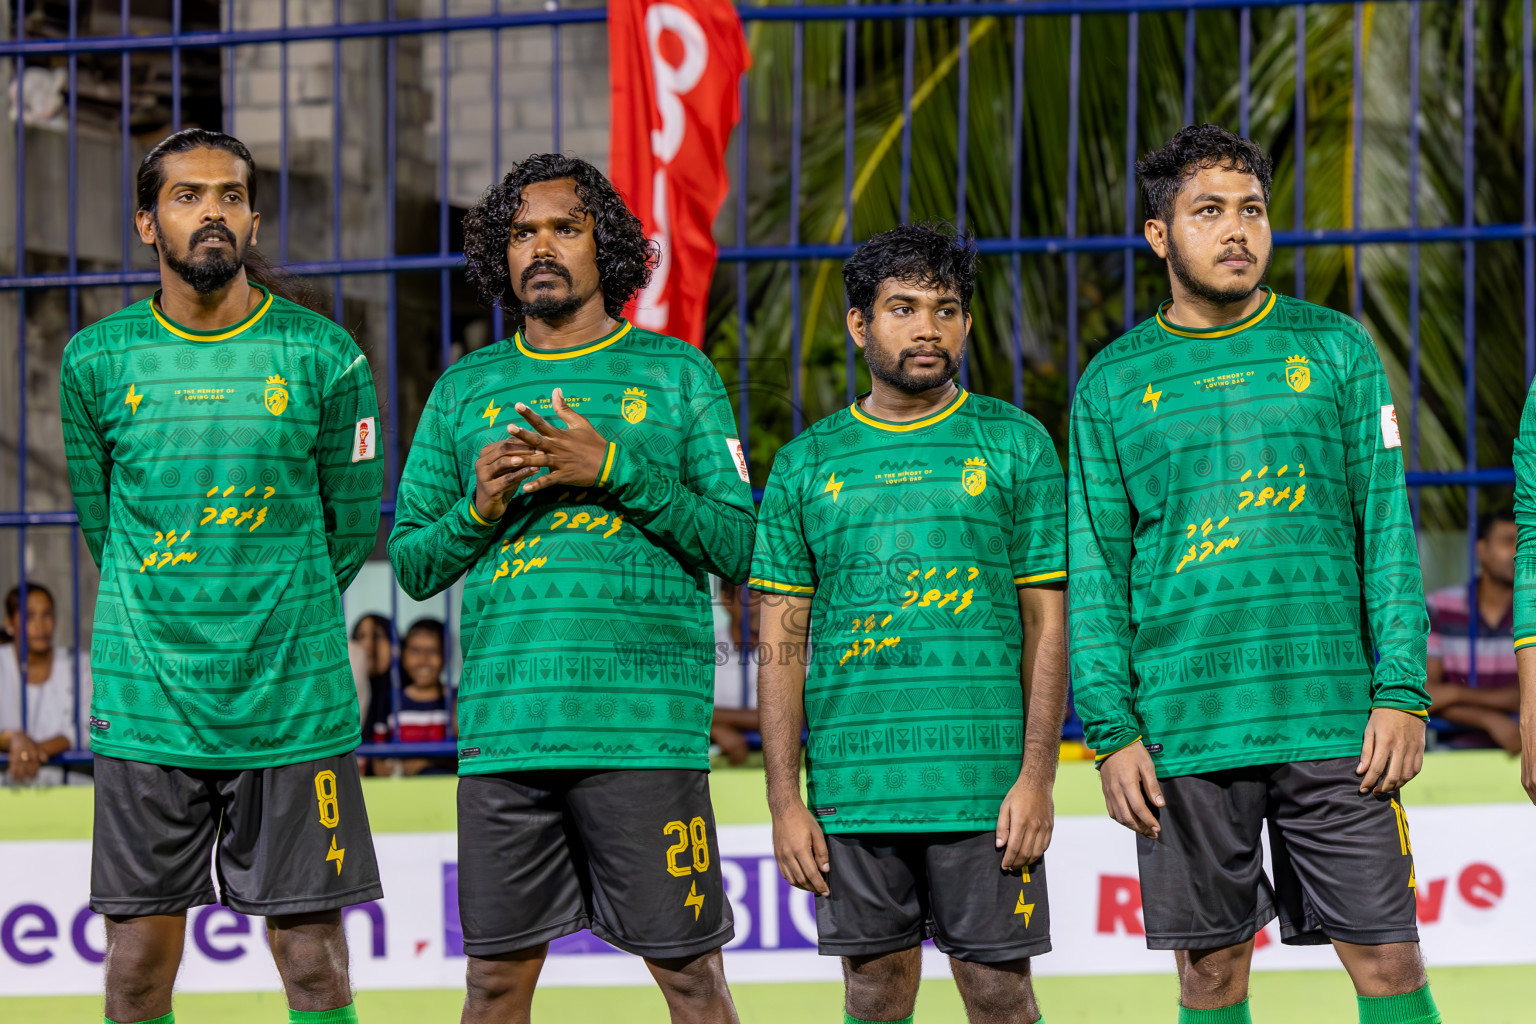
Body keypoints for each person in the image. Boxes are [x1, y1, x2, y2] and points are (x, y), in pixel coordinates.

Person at [1069, 124, 1438, 1024]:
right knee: (1210, 977)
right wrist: (1110, 731)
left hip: (1335, 719)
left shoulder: (1338, 351)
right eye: (1208, 212)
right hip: (1185, 731)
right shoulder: (1113, 384)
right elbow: (1094, 569)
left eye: (1251, 211)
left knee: (1390, 961)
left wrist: (1401, 690)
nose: (1237, 230)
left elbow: (1387, 530)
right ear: (1159, 235)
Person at [389, 153, 753, 1024]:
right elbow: (412, 564)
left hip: (643, 739)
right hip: (506, 741)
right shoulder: (462, 390)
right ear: (499, 255)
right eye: (521, 232)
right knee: (492, 989)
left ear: (609, 246)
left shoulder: (677, 376)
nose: (541, 247)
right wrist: (478, 508)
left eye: (566, 226)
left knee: (693, 980)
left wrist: (613, 468)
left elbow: (741, 542)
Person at [59, 128, 384, 1024]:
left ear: (250, 216)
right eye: (188, 197)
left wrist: (275, 604)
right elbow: (104, 526)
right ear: (146, 223)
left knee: (314, 964)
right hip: (149, 702)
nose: (213, 213)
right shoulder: (95, 360)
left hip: (291, 704)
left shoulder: (325, 356)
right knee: (133, 971)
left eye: (232, 197)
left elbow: (349, 526)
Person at [753, 224, 1068, 1024]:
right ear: (860, 325)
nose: (928, 327)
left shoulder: (1015, 443)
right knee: (874, 989)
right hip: (855, 793)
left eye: (947, 308)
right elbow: (782, 646)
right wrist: (786, 802)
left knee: (1000, 993)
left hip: (985, 790)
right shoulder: (806, 464)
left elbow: (1046, 623)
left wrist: (1036, 779)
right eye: (903, 308)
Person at [1425, 509, 1520, 751]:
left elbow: (1526, 697)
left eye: (1526, 542)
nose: (1519, 552)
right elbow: (1424, 696)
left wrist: (1455, 693)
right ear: (1481, 550)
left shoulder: (1530, 611)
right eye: (1509, 541)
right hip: (1452, 759)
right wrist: (1489, 719)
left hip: (1524, 758)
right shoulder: (1440, 607)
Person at [0, 583, 93, 786]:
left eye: (47, 614)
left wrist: (34, 751)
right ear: (9, 623)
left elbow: (89, 727)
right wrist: (14, 739)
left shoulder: (79, 666)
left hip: (72, 787)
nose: (40, 625)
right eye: (29, 616)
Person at [381, 617, 455, 777]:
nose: (423, 660)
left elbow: (466, 752)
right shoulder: (391, 700)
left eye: (433, 651)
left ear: (445, 656)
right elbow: (378, 758)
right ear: (404, 656)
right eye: (415, 651)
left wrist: (427, 763)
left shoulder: (455, 700)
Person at [711, 581, 759, 766]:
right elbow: (679, 711)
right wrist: (714, 729)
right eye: (754, 595)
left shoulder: (798, 649)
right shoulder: (704, 652)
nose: (765, 605)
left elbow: (801, 716)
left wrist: (710, 721)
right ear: (726, 599)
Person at [349, 612, 398, 749]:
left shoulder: (407, 693)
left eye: (377, 635)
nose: (368, 644)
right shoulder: (346, 697)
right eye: (361, 636)